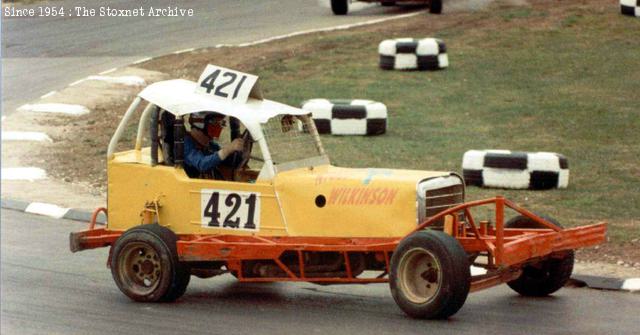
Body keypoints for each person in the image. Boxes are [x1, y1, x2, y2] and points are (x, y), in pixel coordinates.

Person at [183, 112, 244, 179]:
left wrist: (240, 148)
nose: (219, 126)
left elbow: (231, 162)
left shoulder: (211, 145)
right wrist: (227, 150)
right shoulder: (185, 143)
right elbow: (202, 164)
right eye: (215, 122)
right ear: (200, 123)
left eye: (221, 123)